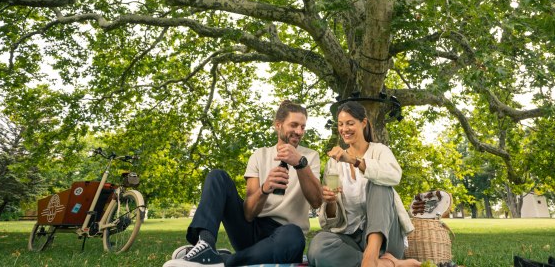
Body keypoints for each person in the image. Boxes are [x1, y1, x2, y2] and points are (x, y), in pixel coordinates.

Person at [164, 100, 323, 267]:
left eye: (303, 127)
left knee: (294, 234)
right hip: (251, 231)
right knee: (217, 176)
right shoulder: (259, 155)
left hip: (285, 235)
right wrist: (264, 188)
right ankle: (205, 244)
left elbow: (316, 201)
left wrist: (300, 163)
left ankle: (223, 261)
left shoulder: (310, 157)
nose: (299, 131)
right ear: (278, 125)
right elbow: (248, 214)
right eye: (294, 125)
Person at [307, 101, 420, 267]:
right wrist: (331, 202)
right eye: (340, 124)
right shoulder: (334, 164)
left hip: (385, 240)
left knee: (379, 182)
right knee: (318, 247)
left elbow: (394, 176)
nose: (344, 129)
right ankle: (388, 265)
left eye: (350, 123)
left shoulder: (380, 151)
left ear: (364, 123)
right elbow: (330, 223)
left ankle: (371, 257)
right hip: (351, 239)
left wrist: (353, 160)